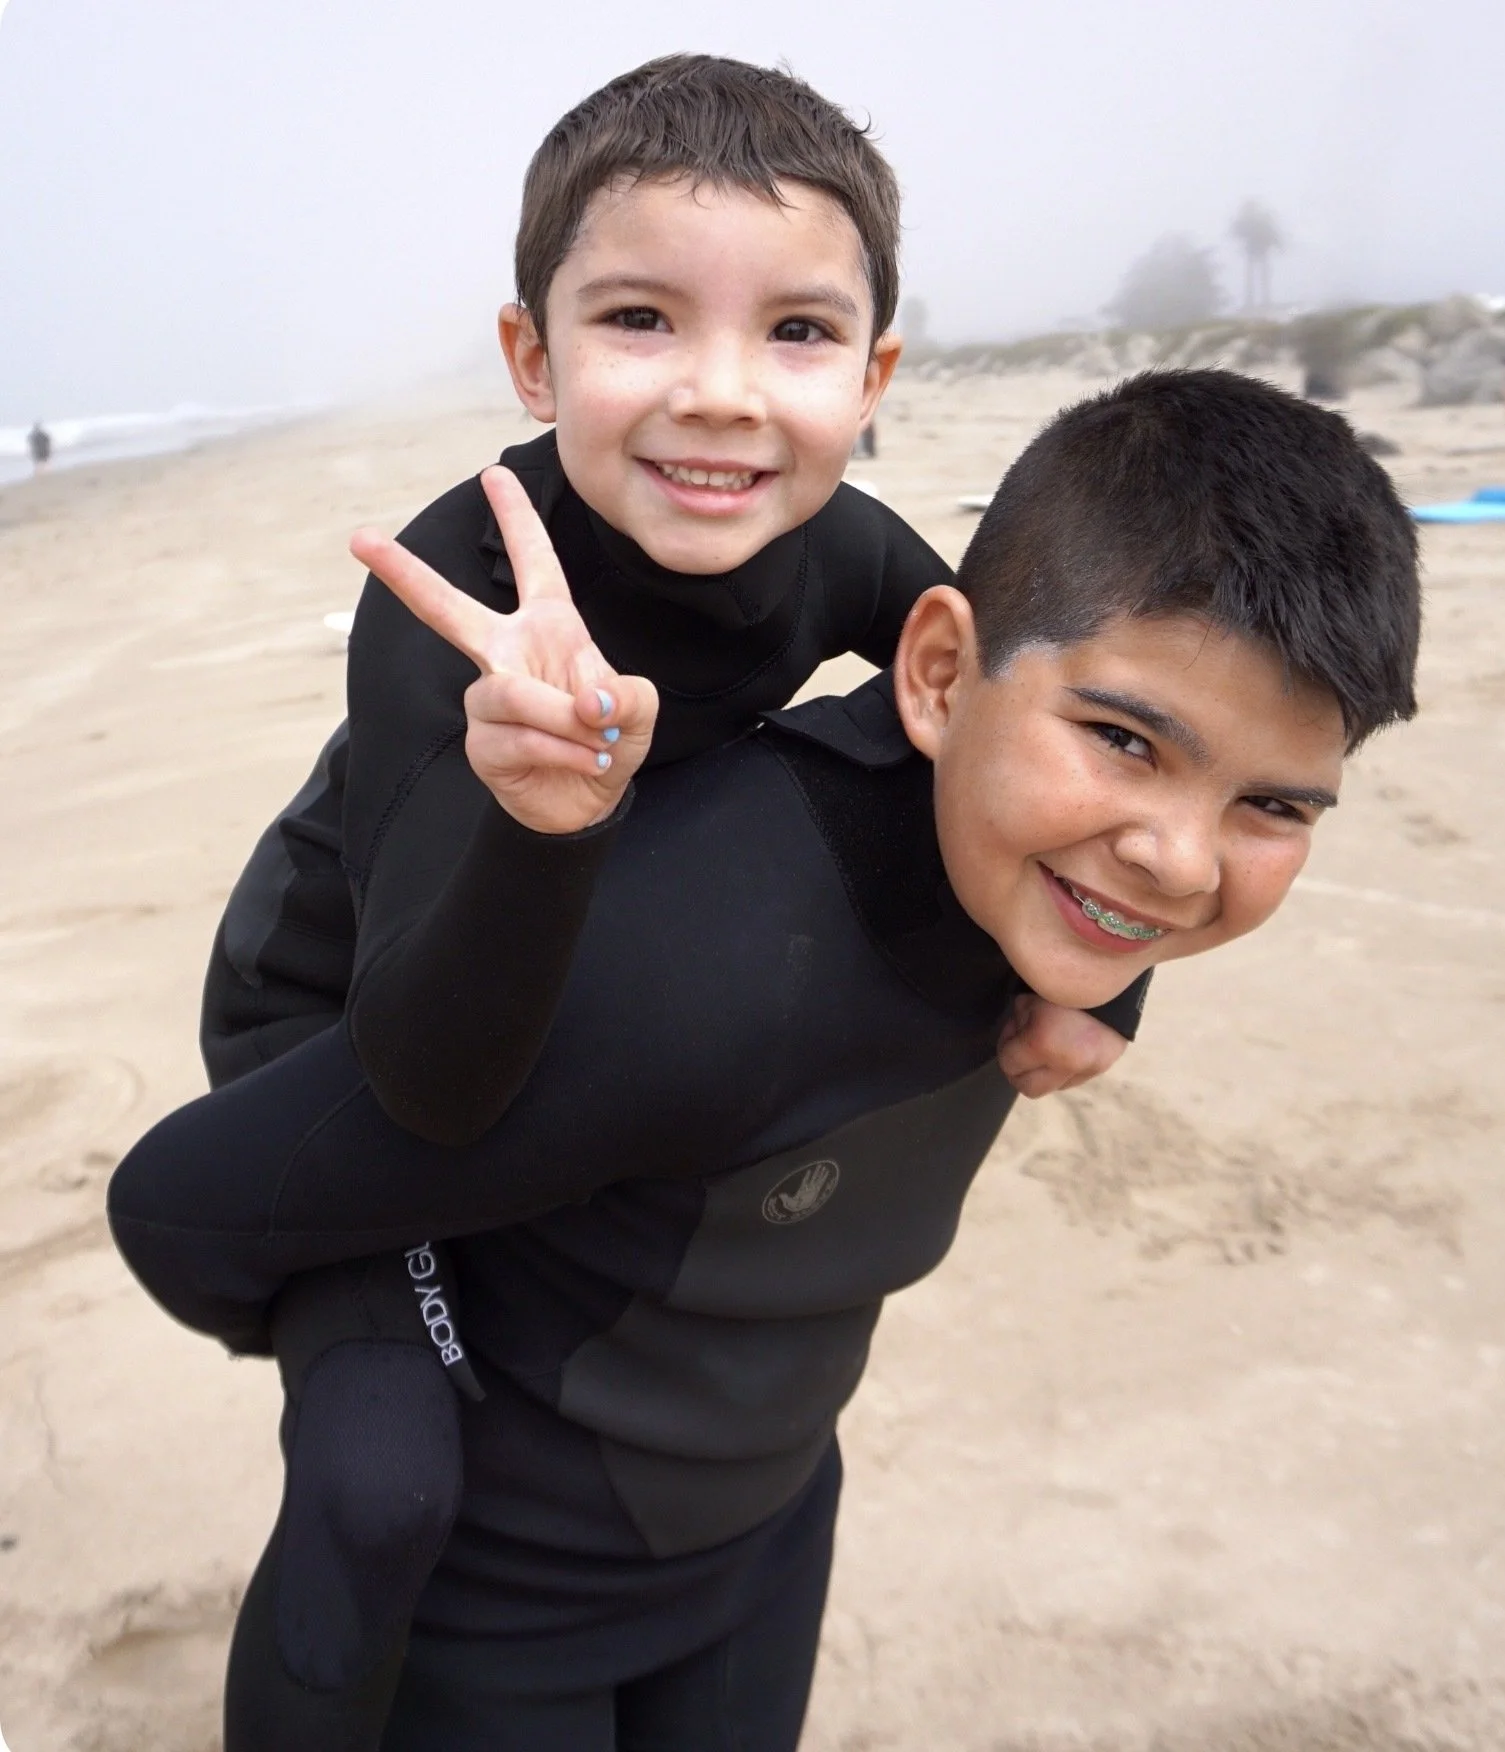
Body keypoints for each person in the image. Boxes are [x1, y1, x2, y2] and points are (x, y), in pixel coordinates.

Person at [110, 367, 1421, 1750]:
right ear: (932, 678)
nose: (1178, 860)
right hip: (499, 1607)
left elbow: (1104, 801)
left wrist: (1114, 995)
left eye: (1272, 806)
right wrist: (377, 1359)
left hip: (765, 1543)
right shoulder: (690, 969)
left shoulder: (1047, 896)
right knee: (371, 1490)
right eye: (1123, 743)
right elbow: (183, 1205)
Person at [184, 52, 1136, 1752]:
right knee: (383, 1473)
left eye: (795, 333)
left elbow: (1035, 749)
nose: (722, 396)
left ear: (873, 375)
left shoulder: (845, 550)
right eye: (640, 319)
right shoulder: (453, 606)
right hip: (331, 1015)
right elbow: (430, 1082)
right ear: (533, 361)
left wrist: (1109, 987)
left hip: (532, 965)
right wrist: (547, 818)